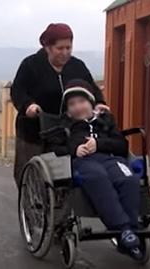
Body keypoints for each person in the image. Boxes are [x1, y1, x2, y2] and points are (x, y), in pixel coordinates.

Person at [10, 23, 109, 189]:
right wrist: (28, 105)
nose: (65, 53)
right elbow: (17, 91)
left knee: (62, 172)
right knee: (30, 172)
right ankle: (30, 203)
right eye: (60, 48)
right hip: (34, 128)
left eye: (68, 48)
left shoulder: (77, 66)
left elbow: (91, 87)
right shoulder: (31, 65)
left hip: (67, 127)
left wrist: (99, 103)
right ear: (48, 48)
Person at [57, 79, 143, 259]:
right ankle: (124, 230)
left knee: (129, 178)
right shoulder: (66, 125)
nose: (78, 107)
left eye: (82, 101)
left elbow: (121, 145)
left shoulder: (105, 121)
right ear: (67, 110)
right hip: (85, 163)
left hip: (110, 158)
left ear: (91, 103)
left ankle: (130, 231)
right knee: (98, 177)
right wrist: (74, 150)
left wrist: (99, 144)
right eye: (72, 104)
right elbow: (56, 148)